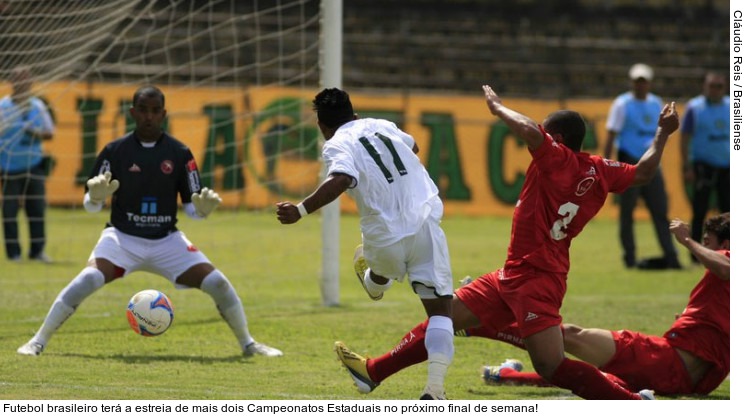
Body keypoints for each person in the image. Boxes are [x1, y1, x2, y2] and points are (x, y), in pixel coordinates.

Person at [333, 85, 679, 400]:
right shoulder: (601, 169)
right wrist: (662, 133)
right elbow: (644, 172)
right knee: (445, 316)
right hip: (515, 272)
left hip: (539, 278)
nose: (538, 136)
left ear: (556, 138)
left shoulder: (555, 158)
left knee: (551, 365)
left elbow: (529, 130)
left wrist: (498, 108)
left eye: (546, 131)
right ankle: (373, 371)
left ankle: (633, 403)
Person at [17, 85, 282, 358]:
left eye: (155, 111)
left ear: (164, 114)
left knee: (219, 284)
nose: (149, 116)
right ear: (132, 112)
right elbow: (91, 206)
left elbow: (191, 209)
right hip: (122, 238)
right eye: (143, 110)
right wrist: (95, 198)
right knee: (86, 280)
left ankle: (248, 344)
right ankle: (37, 341)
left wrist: (201, 210)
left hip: (166, 240)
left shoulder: (180, 153)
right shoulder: (114, 151)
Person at [275, 88, 454, 400]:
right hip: (425, 223)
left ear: (321, 126)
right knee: (440, 313)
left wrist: (301, 210)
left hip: (382, 237)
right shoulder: (381, 124)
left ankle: (374, 281)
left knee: (382, 268)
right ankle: (434, 390)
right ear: (354, 114)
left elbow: (341, 178)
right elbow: (413, 146)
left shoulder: (336, 144)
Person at [480, 213, 729, 396]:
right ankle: (506, 375)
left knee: (569, 336)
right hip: (692, 383)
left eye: (708, 242)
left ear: (727, 245)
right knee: (599, 379)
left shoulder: (728, 261)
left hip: (666, 362)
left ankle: (477, 323)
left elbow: (727, 267)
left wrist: (687, 241)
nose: (703, 247)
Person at [604, 63, 681, 270]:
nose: (640, 85)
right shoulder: (622, 104)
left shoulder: (656, 103)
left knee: (660, 211)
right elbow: (611, 134)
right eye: (637, 82)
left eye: (643, 81)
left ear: (649, 83)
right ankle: (630, 258)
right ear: (632, 83)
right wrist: (605, 165)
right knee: (627, 213)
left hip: (652, 164)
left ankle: (671, 257)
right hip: (628, 162)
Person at [0, 66, 55, 262]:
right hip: (8, 168)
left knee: (37, 209)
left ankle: (37, 251)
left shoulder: (37, 106)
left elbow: (50, 132)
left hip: (34, 165)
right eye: (19, 79)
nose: (23, 83)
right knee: (9, 210)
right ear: (12, 82)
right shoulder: (3, 107)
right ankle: (14, 253)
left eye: (26, 79)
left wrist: (35, 133)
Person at [680, 72, 729, 263]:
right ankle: (695, 255)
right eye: (711, 86)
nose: (715, 90)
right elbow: (685, 138)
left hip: (727, 166)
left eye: (719, 86)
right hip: (703, 166)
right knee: (699, 211)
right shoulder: (695, 107)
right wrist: (687, 166)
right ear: (705, 86)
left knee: (729, 212)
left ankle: (728, 252)